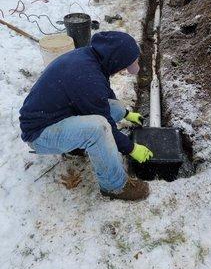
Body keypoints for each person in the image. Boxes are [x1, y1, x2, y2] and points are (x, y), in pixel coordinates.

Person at [19, 31, 153, 201]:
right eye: (123, 67)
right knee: (98, 128)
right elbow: (107, 125)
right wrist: (131, 148)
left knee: (116, 108)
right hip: (40, 133)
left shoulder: (90, 58)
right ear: (115, 60)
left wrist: (126, 114)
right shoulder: (87, 78)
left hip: (59, 115)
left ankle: (76, 145)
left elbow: (104, 94)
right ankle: (115, 186)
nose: (121, 71)